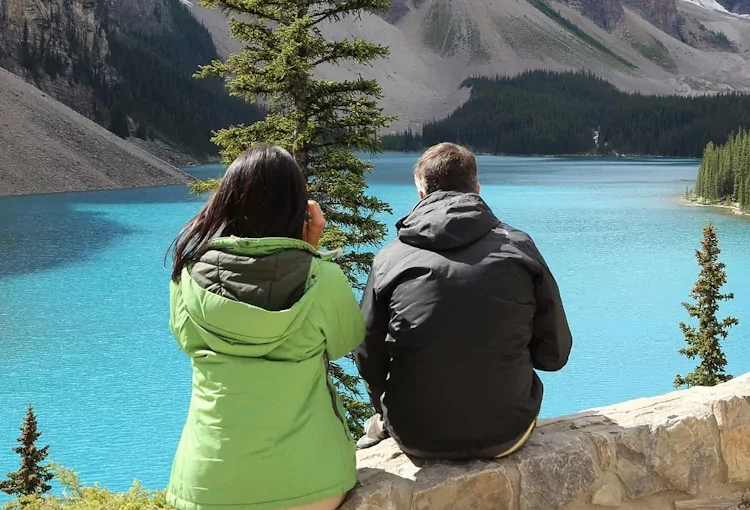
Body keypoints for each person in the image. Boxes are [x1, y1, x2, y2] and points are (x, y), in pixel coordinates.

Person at [166, 145, 363, 510]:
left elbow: (185, 340)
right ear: (300, 208)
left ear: (225, 202)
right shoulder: (323, 277)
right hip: (311, 485)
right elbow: (345, 341)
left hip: (207, 488)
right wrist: (310, 251)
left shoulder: (187, 279)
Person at [356, 142, 573, 459]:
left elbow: (367, 354)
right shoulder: (519, 247)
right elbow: (555, 354)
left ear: (421, 195)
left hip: (416, 434)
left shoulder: (391, 258)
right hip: (507, 430)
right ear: (477, 189)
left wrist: (385, 405)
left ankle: (379, 427)